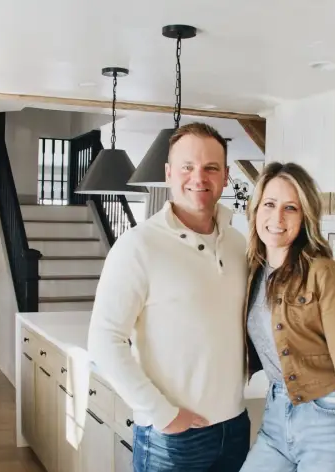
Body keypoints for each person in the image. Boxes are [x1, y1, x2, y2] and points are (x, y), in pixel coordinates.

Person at [87, 122, 250, 472]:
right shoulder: (138, 245)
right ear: (168, 173)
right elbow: (103, 339)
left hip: (235, 426)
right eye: (187, 167)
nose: (199, 177)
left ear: (225, 176)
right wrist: (163, 414)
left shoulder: (240, 245)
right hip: (172, 437)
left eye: (211, 168)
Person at [240, 162, 335, 472]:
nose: (277, 217)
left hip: (327, 418)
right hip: (277, 413)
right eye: (269, 204)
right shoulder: (252, 272)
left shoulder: (325, 274)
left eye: (290, 207)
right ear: (256, 210)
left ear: (304, 216)